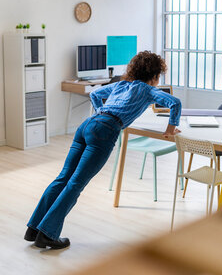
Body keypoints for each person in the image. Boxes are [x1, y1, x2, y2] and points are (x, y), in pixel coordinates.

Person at [24, 51, 181, 249]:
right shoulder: (148, 90)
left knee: (63, 178)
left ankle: (34, 229)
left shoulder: (122, 84)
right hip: (104, 132)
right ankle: (47, 234)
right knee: (75, 184)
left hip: (87, 125)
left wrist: (101, 114)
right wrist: (170, 130)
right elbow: (175, 102)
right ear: (155, 76)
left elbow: (96, 93)